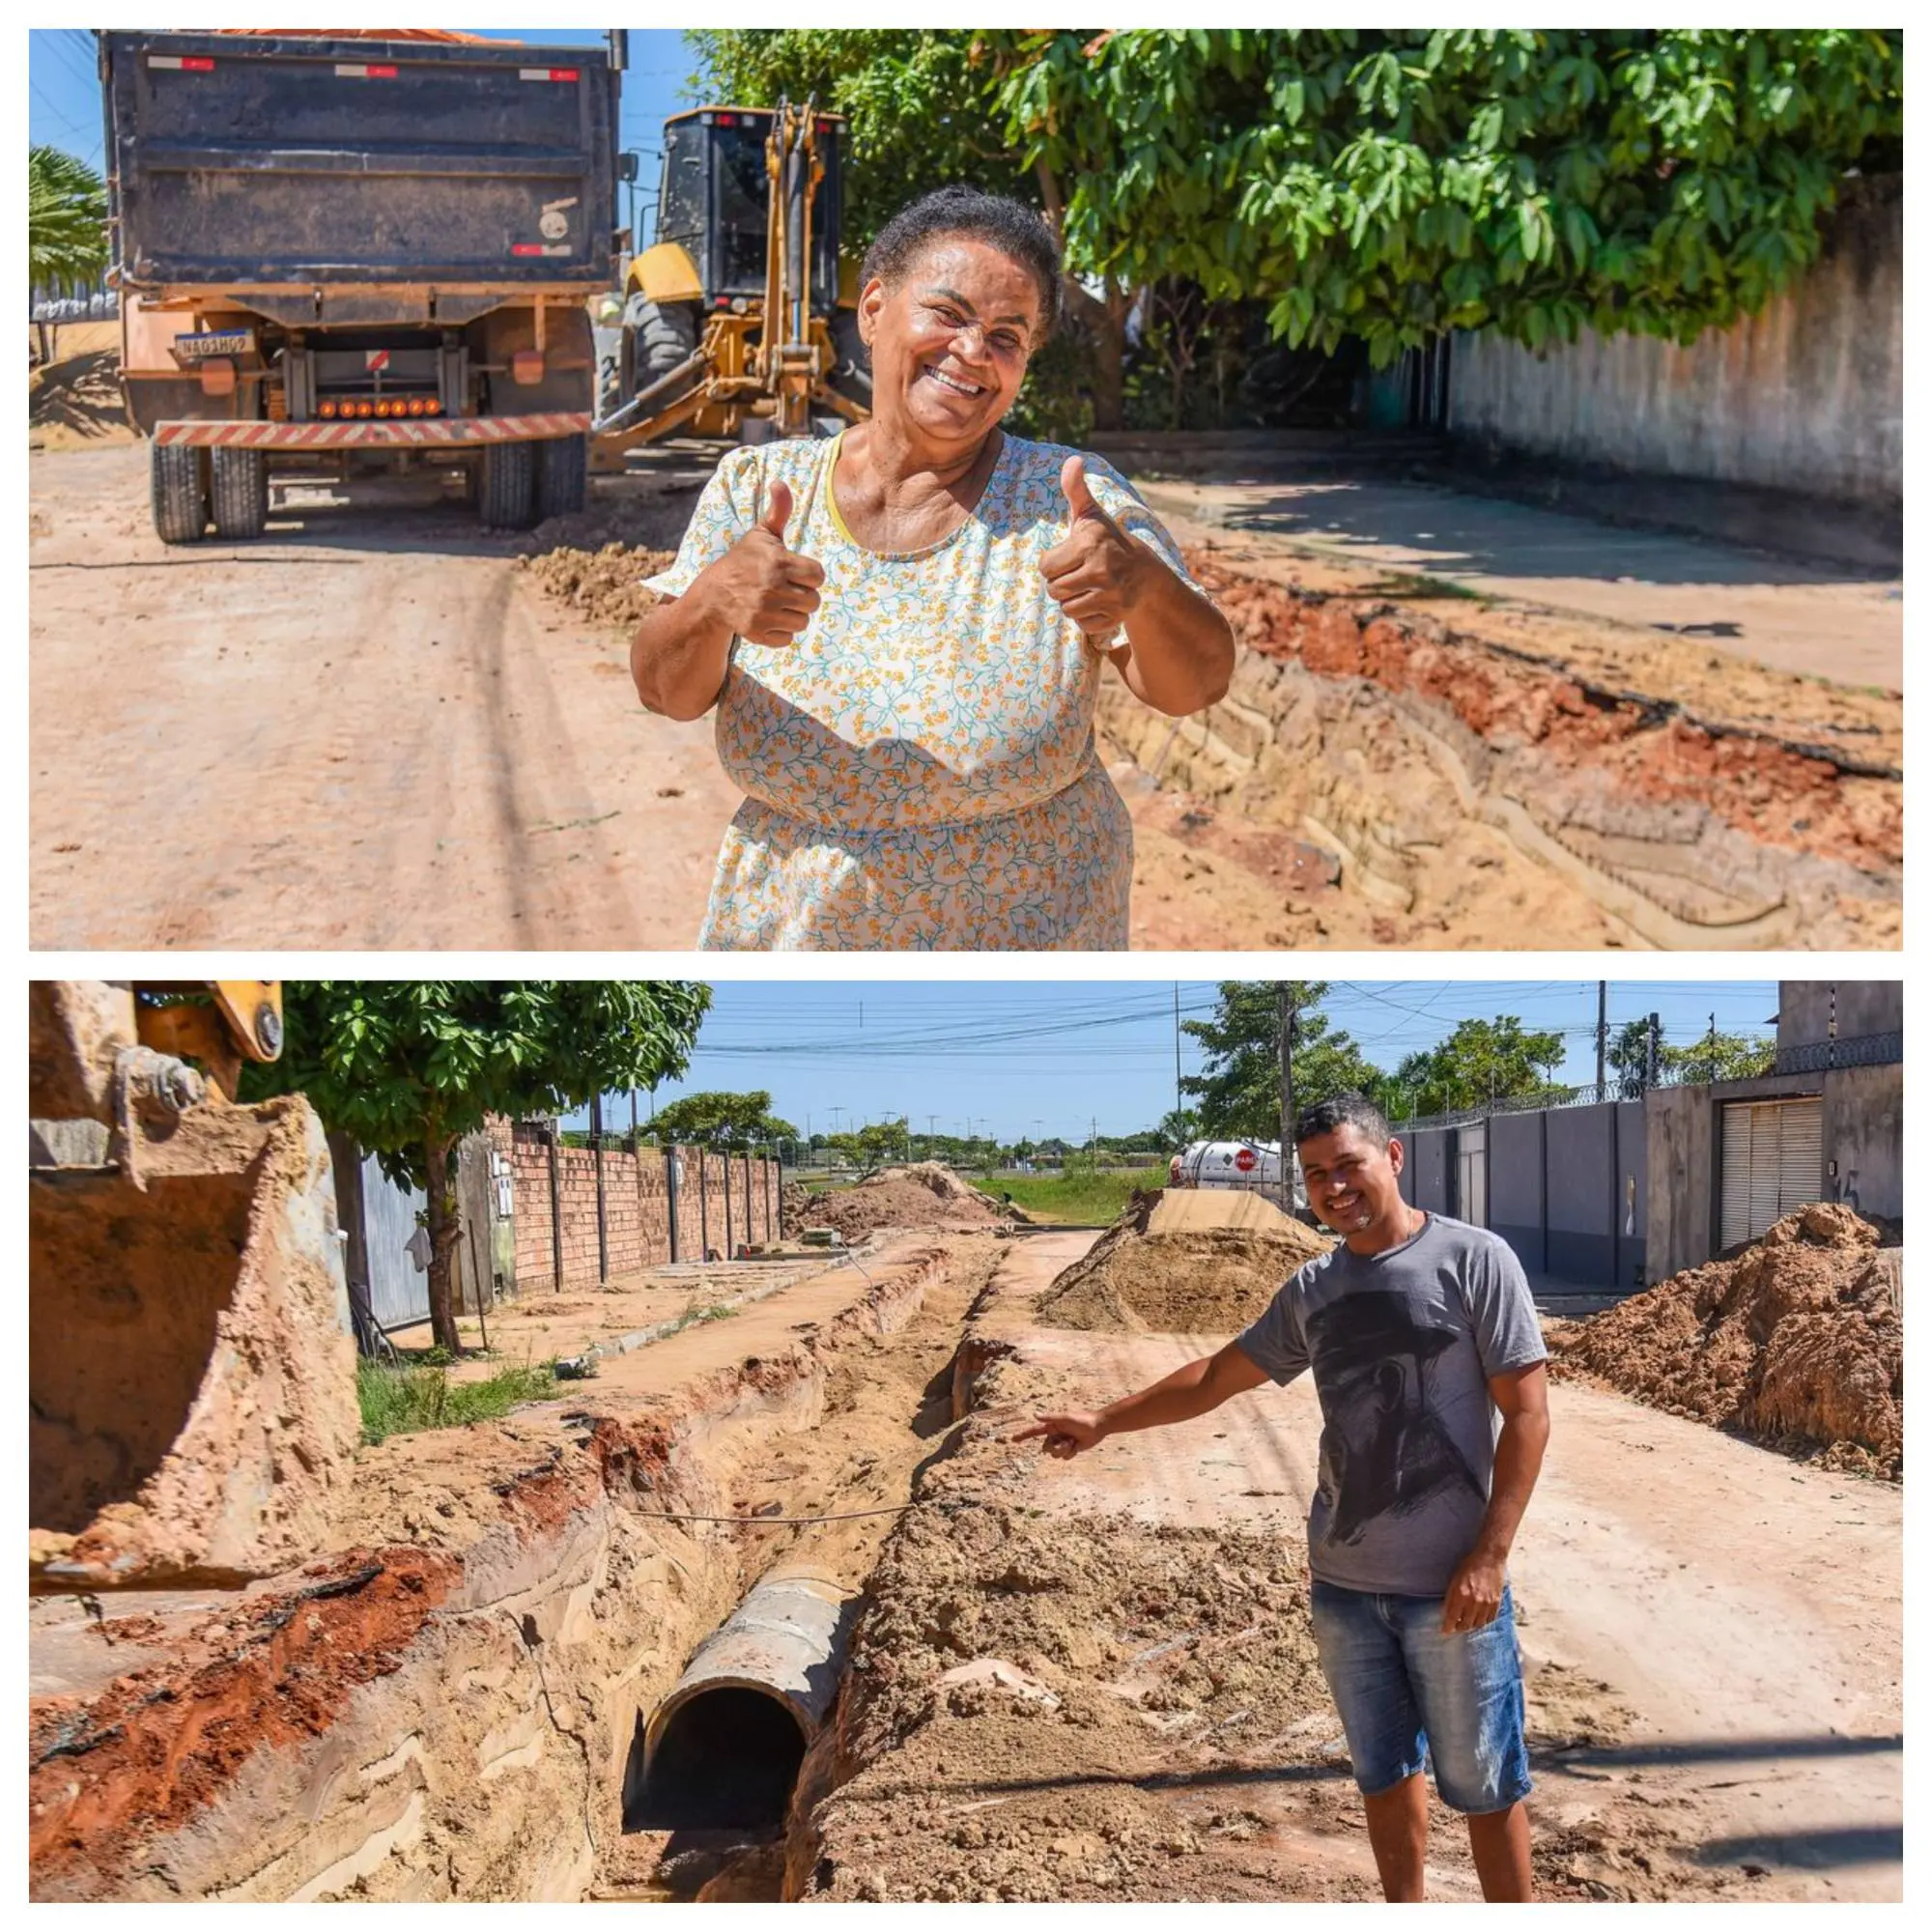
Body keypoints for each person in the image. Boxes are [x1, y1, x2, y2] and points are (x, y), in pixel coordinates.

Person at [629, 185, 1235, 951]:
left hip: (1034, 944)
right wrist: (713, 603)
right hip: (800, 937)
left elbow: (1199, 683)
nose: (974, 352)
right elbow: (663, 690)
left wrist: (1142, 587)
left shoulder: (1069, 503)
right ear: (875, 309)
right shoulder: (758, 490)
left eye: (1007, 336)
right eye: (947, 315)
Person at [1018, 1093, 1550, 1902]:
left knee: (1485, 1786)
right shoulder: (1314, 1288)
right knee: (1381, 1774)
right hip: (1344, 1588)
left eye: (1348, 1166)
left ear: (1393, 1158)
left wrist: (1489, 1555)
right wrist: (1103, 1420)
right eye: (1315, 1176)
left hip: (1453, 1593)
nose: (1334, 1188)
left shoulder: (1475, 1261)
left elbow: (1529, 1416)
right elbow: (1215, 1377)